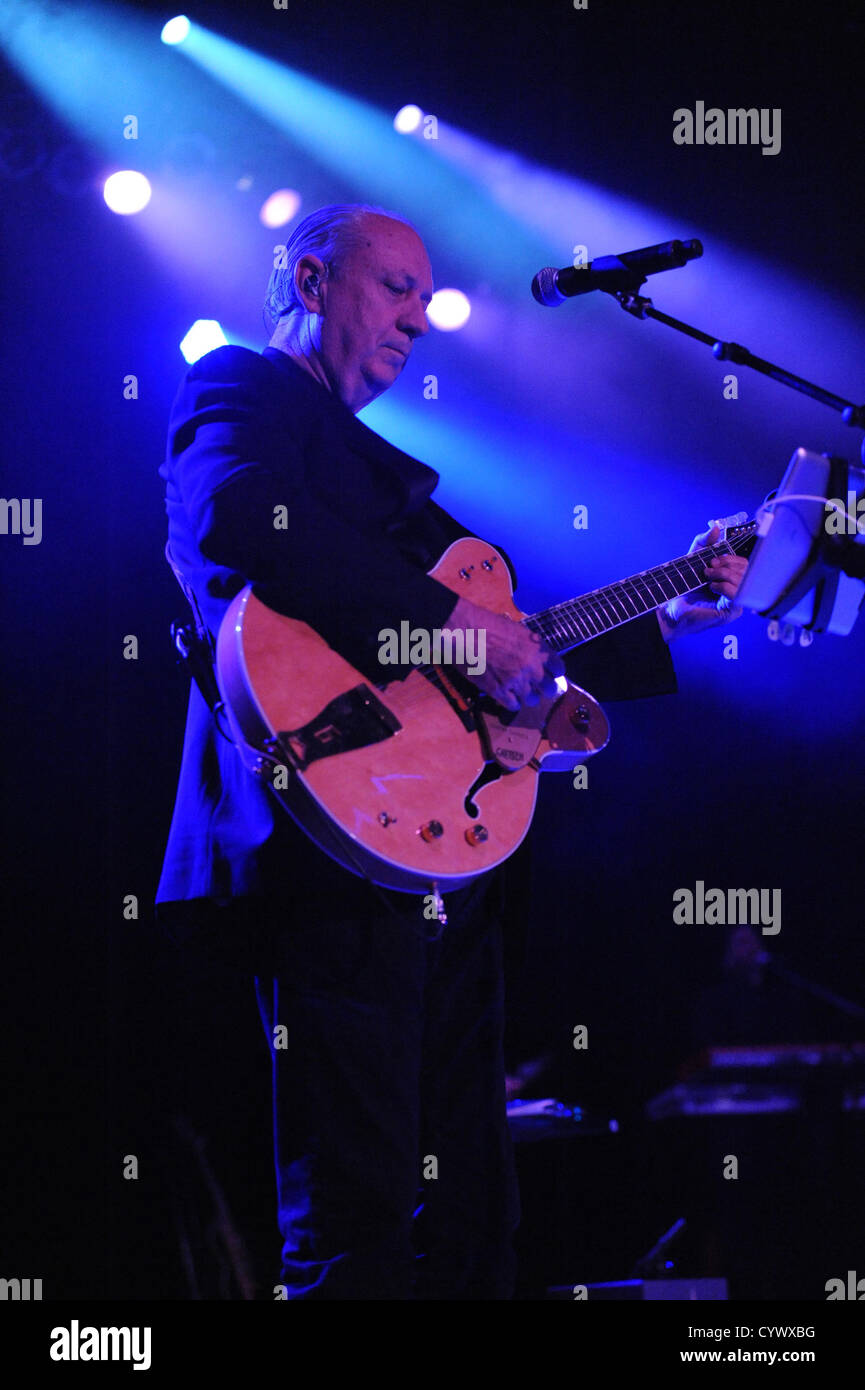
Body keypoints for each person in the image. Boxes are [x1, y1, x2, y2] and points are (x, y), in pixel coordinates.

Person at [155, 203, 747, 1299]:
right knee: (356, 1201)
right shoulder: (240, 386)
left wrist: (667, 611)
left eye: (427, 300)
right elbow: (239, 516)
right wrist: (454, 624)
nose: (419, 322)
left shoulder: (394, 484)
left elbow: (505, 654)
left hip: (435, 847)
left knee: (476, 1199)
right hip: (321, 833)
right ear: (313, 276)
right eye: (397, 290)